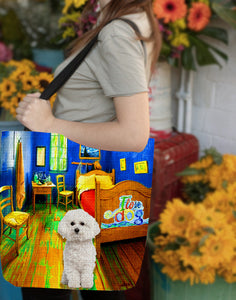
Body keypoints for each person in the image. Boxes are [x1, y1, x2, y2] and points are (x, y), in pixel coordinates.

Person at [16, 0, 161, 299]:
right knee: (99, 286)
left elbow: (134, 134)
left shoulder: (117, 33)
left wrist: (49, 124)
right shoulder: (133, 21)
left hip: (70, 183)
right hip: (93, 183)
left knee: (48, 284)